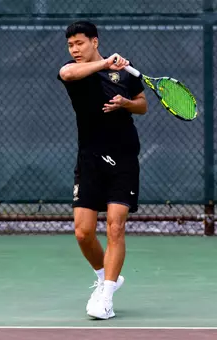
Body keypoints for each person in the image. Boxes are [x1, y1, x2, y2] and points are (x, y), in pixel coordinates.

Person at [56, 21, 148, 320]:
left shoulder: (125, 72)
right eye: (71, 45)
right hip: (90, 158)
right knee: (83, 233)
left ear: (94, 41)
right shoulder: (75, 71)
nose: (75, 49)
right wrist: (106, 64)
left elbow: (143, 105)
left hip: (123, 156)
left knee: (115, 226)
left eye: (80, 43)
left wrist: (125, 103)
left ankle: (106, 295)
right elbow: (67, 73)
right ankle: (105, 275)